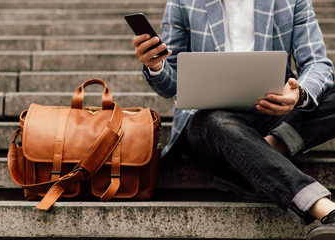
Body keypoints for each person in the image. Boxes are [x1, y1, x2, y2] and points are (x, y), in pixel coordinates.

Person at [132, 0, 335, 239]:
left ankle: (255, 156)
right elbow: (172, 84)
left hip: (274, 113)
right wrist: (156, 66)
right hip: (210, 119)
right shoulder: (182, 3)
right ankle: (324, 207)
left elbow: (317, 63)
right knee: (217, 121)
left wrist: (298, 93)